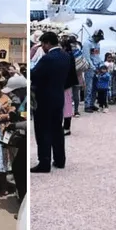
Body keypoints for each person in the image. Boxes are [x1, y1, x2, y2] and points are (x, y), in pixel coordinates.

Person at [31, 31, 71, 173]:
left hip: (44, 98)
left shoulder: (48, 59)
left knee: (42, 131)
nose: (42, 47)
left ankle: (44, 162)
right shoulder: (66, 56)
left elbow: (34, 74)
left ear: (47, 43)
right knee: (57, 129)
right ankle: (60, 160)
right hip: (58, 96)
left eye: (43, 44)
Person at [82, 29, 104, 112]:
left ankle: (92, 103)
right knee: (89, 87)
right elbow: (86, 58)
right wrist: (93, 68)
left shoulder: (97, 44)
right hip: (89, 68)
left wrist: (101, 65)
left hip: (97, 67)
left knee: (95, 87)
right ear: (95, 36)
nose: (99, 40)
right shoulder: (87, 44)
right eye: (99, 38)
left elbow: (97, 56)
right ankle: (87, 105)